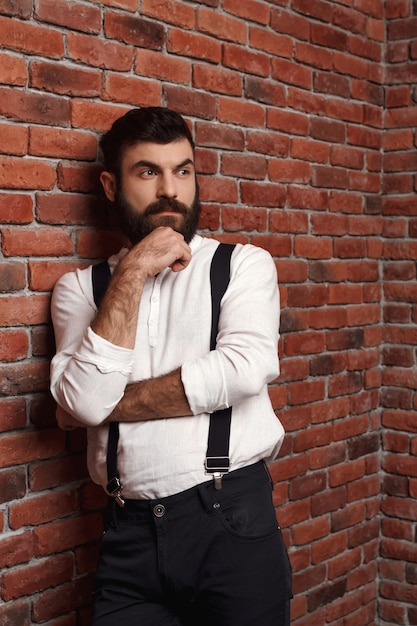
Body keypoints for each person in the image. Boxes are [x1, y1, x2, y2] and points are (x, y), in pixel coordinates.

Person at [50, 106, 292, 626]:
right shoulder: (79, 290)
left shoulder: (242, 265)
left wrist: (107, 406)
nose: (170, 190)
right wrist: (136, 265)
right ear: (111, 185)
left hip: (231, 524)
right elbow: (81, 403)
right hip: (127, 535)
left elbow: (244, 369)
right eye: (148, 172)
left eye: (183, 171)